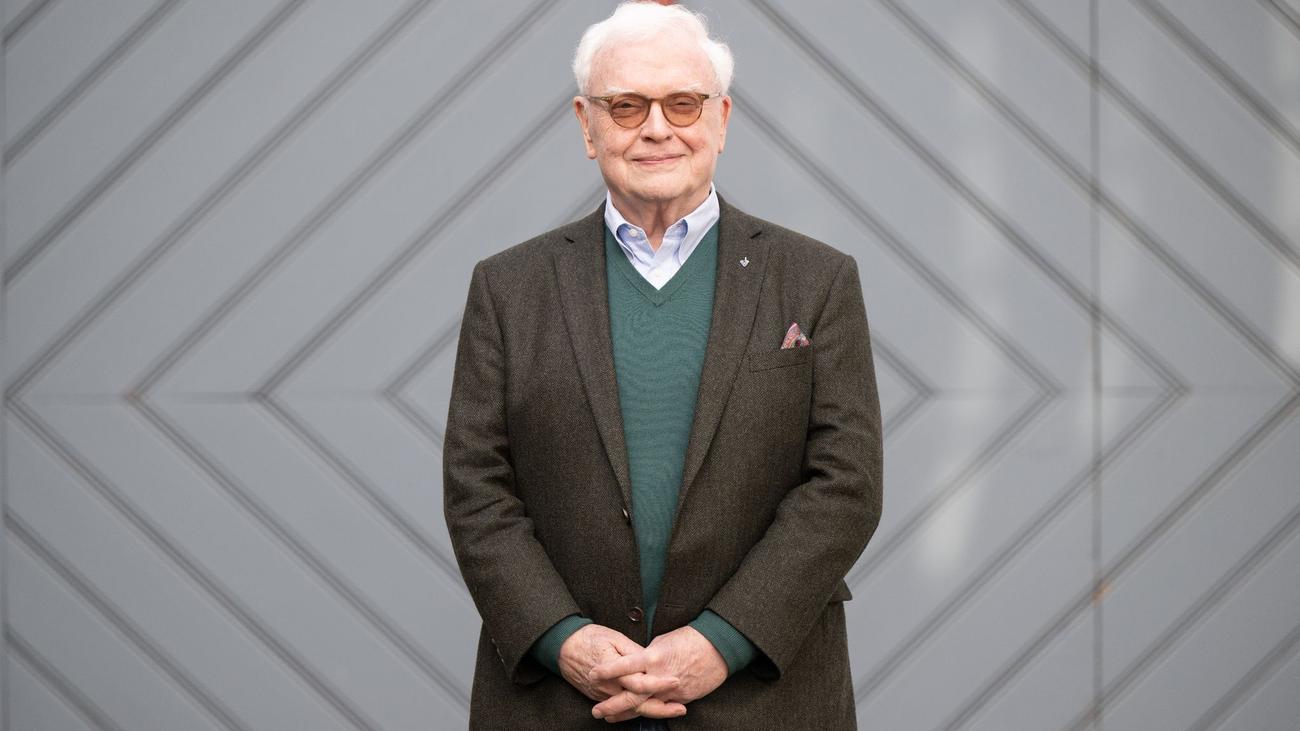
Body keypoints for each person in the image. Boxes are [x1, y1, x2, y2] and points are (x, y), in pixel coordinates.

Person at [442, 2, 883, 728]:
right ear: (587, 125)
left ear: (722, 118)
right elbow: (476, 491)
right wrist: (564, 640)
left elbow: (846, 488)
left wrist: (724, 641)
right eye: (626, 106)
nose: (656, 127)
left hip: (763, 701)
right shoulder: (508, 288)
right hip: (560, 702)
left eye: (683, 103)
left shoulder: (817, 281)